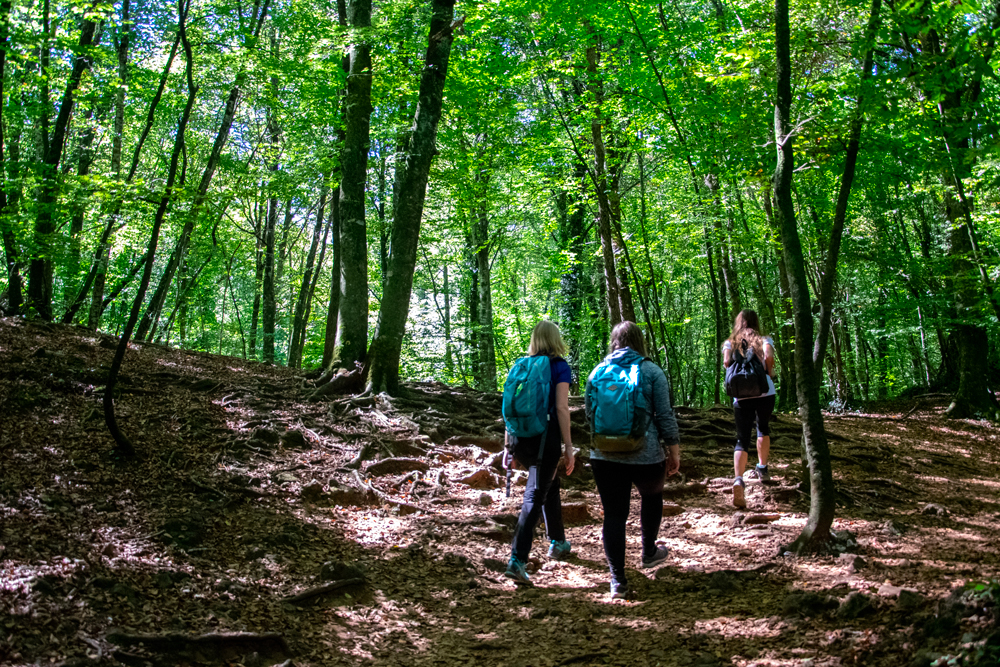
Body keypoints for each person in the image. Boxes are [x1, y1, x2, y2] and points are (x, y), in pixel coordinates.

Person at [585, 321, 680, 600]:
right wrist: (673, 449)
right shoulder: (651, 371)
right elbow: (664, 415)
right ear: (641, 341)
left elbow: (590, 414)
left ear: (614, 342)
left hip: (604, 454)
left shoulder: (598, 371)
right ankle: (649, 552)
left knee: (614, 514)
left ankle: (617, 580)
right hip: (646, 455)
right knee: (652, 497)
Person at [504, 320, 576, 586]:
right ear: (556, 339)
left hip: (520, 441)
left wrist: (508, 447)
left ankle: (558, 541)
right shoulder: (559, 367)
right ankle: (517, 560)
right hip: (544, 440)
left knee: (549, 483)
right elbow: (561, 409)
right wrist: (569, 447)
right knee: (535, 493)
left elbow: (510, 410)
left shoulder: (521, 365)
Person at [722, 309, 777, 509]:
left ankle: (738, 479)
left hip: (741, 395)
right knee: (763, 428)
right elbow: (769, 357)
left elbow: (726, 362)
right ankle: (762, 468)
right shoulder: (764, 340)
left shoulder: (730, 343)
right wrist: (768, 371)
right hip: (765, 392)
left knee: (741, 438)